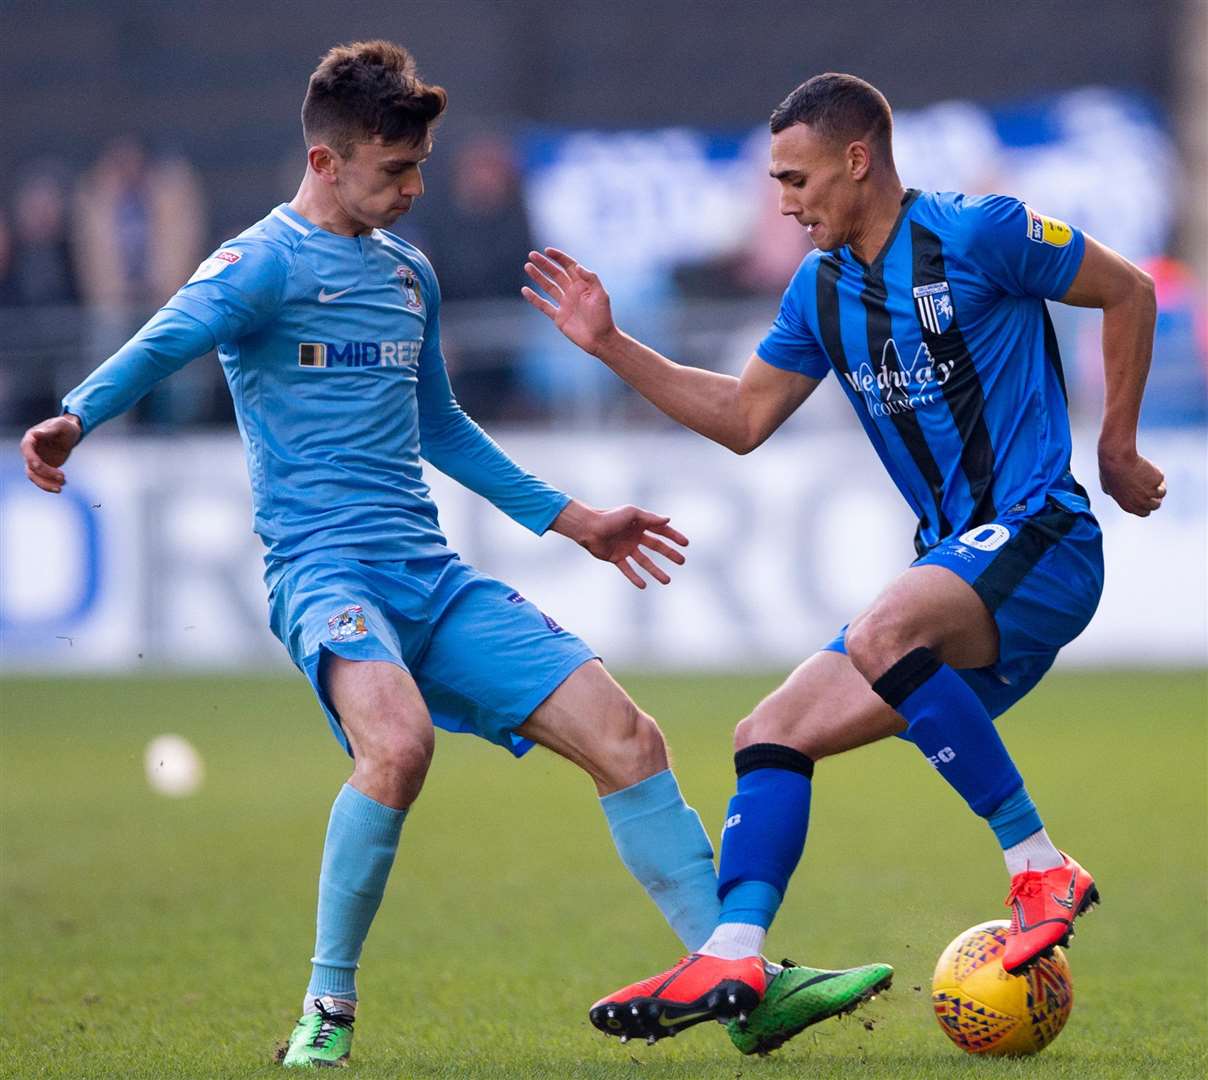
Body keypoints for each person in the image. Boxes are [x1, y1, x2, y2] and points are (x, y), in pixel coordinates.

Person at [19, 43, 884, 1071]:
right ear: (326, 161)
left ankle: (736, 980)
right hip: (325, 576)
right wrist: (75, 418)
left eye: (420, 167)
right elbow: (168, 336)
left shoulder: (407, 273)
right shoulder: (260, 264)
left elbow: (443, 428)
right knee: (397, 745)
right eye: (395, 171)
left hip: (428, 578)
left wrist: (575, 520)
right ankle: (327, 1008)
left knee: (628, 738)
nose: (413, 189)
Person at [522, 72, 1165, 1054]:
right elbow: (743, 418)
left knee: (882, 628)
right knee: (768, 731)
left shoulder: (978, 232)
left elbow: (1122, 288)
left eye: (795, 177)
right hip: (953, 571)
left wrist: (1114, 445)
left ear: (855, 159)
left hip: (1040, 539)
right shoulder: (820, 289)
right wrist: (611, 346)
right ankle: (736, 951)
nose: (782, 201)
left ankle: (1037, 864)